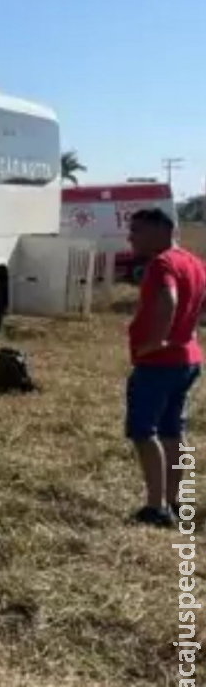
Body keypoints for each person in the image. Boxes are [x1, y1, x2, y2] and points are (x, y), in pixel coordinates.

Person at [125, 208, 206, 527]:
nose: (131, 237)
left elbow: (169, 298)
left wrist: (155, 340)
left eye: (138, 230)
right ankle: (175, 499)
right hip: (187, 360)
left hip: (159, 363)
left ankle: (155, 507)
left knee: (145, 432)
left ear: (161, 230)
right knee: (173, 431)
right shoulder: (194, 262)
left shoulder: (162, 265)